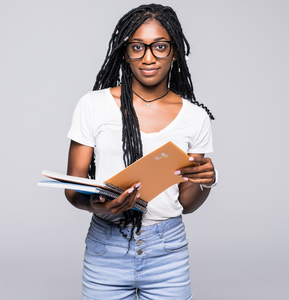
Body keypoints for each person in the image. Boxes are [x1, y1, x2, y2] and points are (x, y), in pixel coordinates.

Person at [65, 4, 217, 300]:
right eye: (137, 47)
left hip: (167, 252)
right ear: (125, 52)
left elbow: (187, 203)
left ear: (175, 52)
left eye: (160, 46)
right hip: (106, 247)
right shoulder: (92, 106)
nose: (148, 57)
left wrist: (205, 181)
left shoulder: (194, 117)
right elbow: (73, 189)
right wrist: (98, 206)